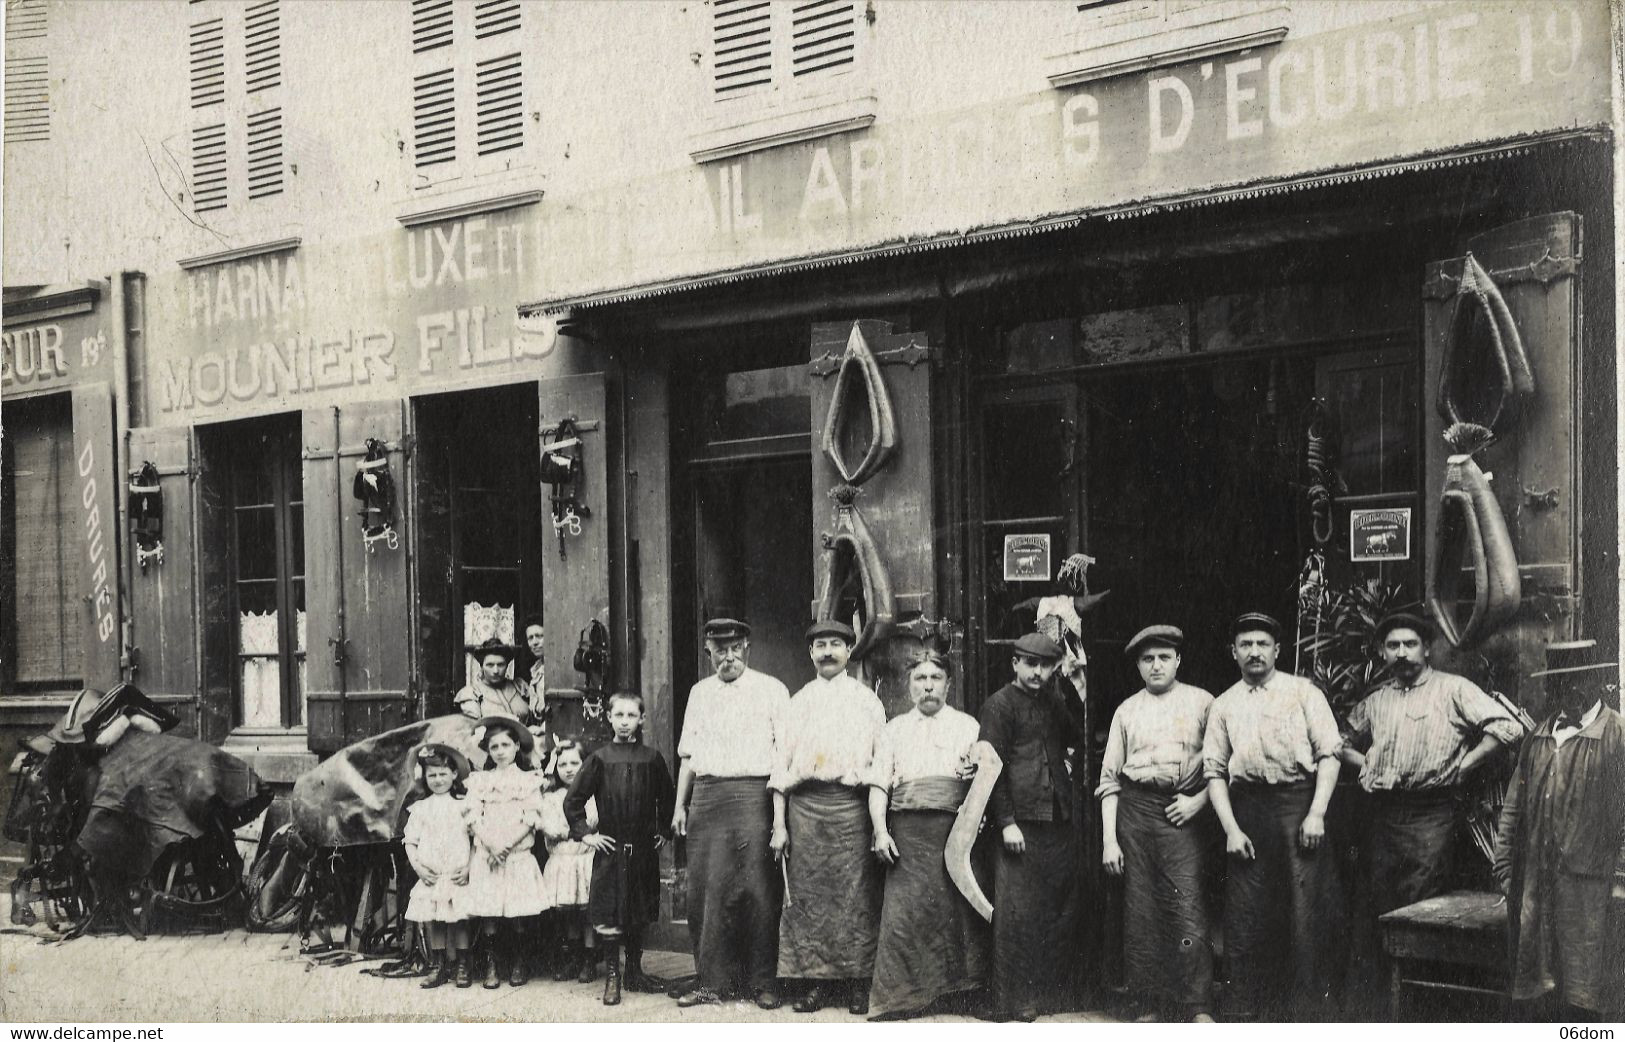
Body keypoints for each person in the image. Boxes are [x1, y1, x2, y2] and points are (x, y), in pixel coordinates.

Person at [1340, 612, 1523, 995]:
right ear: (1382, 652)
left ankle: (1424, 1005)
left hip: (1433, 815)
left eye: (1410, 644)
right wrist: (1367, 763)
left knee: (1423, 907)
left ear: (1426, 649)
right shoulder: (1376, 700)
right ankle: (1378, 1010)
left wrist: (1466, 764)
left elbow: (1508, 726)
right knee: (1376, 908)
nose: (1402, 653)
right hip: (1384, 815)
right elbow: (1337, 742)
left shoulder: (1453, 689)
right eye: (1393, 646)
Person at [1202, 612, 1344, 1021]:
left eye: (1262, 644)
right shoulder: (1224, 704)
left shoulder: (1304, 693)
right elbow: (1214, 771)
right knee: (1247, 915)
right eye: (1245, 645)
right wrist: (1230, 828)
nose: (1254, 652)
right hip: (1247, 812)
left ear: (1277, 650)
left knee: (1305, 911)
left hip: (1298, 808)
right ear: (1233, 652)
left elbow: (1329, 755)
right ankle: (1250, 1013)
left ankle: (1308, 1016)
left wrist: (1316, 813)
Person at [1493, 639, 1625, 1021]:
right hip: (1536, 884)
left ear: (1598, 680)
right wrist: (1505, 870)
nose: (1568, 691)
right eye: (1559, 682)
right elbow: (1513, 809)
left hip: (1591, 888)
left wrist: (1618, 877)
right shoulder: (1538, 736)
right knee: (1538, 985)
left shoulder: (1616, 735)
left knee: (1586, 988)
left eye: (1578, 680)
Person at [1097, 625, 1217, 1023]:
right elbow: (1109, 779)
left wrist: (1198, 802)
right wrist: (1109, 840)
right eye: (1148, 659)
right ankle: (1149, 1001)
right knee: (1141, 910)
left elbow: (1228, 764)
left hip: (1183, 811)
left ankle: (1196, 1003)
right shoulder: (1126, 710)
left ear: (1179, 660)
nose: (1156, 665)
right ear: (1138, 666)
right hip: (1135, 812)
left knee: (1186, 904)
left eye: (1164, 657)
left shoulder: (1203, 703)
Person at [670, 618, 790, 1010]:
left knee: (759, 891)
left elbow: (782, 760)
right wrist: (679, 808)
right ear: (709, 653)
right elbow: (688, 756)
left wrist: (778, 819)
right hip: (707, 798)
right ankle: (712, 982)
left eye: (735, 647)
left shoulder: (772, 690)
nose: (728, 656)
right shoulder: (700, 694)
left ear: (747, 648)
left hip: (755, 795)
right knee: (708, 894)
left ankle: (762, 982)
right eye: (719, 649)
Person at [770, 619, 887, 1016]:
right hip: (805, 808)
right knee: (809, 899)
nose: (827, 653)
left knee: (856, 896)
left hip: (851, 808)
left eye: (835, 644)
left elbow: (880, 763)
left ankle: (857, 983)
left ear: (849, 651)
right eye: (820, 645)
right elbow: (780, 768)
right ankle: (816, 984)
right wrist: (780, 825)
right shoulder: (798, 701)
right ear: (810, 653)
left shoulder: (867, 701)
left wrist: (877, 824)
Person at [867, 649, 989, 1020]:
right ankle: (903, 998)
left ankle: (961, 994)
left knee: (959, 914)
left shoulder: (968, 726)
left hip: (955, 834)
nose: (928, 686)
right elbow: (878, 786)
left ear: (949, 685)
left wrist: (978, 817)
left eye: (936, 678)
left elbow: (983, 780)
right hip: (907, 833)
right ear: (908, 686)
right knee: (905, 915)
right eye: (920, 679)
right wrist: (879, 831)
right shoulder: (893, 729)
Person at [978, 631, 1087, 1022]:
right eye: (1031, 664)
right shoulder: (999, 705)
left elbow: (1076, 738)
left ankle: (1050, 995)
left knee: (1056, 907)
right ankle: (1014, 1002)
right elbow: (992, 768)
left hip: (1056, 819)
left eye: (1045, 666)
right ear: (1015, 664)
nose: (1038, 672)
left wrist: (1068, 765)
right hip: (1019, 823)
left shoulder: (1054, 702)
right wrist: (1006, 821)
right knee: (1016, 915)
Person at [565, 691, 676, 1006]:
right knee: (612, 910)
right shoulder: (599, 759)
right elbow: (573, 800)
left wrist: (663, 830)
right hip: (611, 848)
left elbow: (666, 798)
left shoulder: (651, 758)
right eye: (619, 715)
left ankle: (635, 972)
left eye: (631, 716)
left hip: (641, 849)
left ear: (641, 719)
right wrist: (586, 834)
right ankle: (613, 976)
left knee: (638, 908)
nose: (625, 722)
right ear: (609, 718)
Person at [463, 716, 547, 989]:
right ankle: (492, 964)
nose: (500, 751)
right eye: (494, 746)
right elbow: (473, 817)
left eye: (505, 745)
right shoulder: (480, 781)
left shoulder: (528, 780)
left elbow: (532, 817)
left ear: (516, 748)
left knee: (517, 912)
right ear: (488, 750)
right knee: (490, 913)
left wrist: (508, 845)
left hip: (516, 854)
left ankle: (518, 962)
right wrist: (491, 844)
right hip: (489, 855)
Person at [403, 744, 475, 990]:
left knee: (460, 918)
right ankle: (438, 964)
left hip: (457, 874)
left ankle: (463, 964)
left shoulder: (464, 805)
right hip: (432, 876)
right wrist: (419, 869)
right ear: (424, 777)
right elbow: (410, 842)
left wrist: (469, 867)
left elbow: (476, 840)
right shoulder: (421, 808)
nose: (438, 779)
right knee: (435, 919)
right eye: (432, 774)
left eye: (443, 773)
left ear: (454, 774)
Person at [537, 739, 598, 984]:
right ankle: (573, 956)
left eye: (575, 762)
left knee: (587, 912)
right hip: (561, 860)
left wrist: (572, 828)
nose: (569, 768)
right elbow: (549, 827)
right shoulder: (551, 798)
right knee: (568, 913)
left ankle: (589, 958)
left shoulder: (592, 795)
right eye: (563, 763)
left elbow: (592, 820)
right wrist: (575, 828)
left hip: (584, 859)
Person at [456, 638, 537, 726]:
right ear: (482, 666)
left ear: (507, 666)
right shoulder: (472, 693)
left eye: (501, 665)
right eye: (490, 665)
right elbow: (473, 728)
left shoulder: (520, 687)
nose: (495, 670)